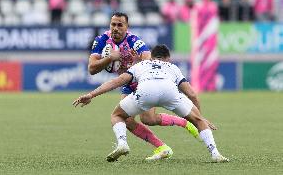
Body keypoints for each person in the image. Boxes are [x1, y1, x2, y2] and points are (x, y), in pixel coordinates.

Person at [73, 44, 229, 163]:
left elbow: (117, 81)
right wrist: (199, 117)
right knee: (198, 121)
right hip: (170, 92)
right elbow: (192, 94)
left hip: (146, 91)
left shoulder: (142, 65)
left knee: (117, 115)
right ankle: (215, 153)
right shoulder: (172, 67)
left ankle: (122, 143)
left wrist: (91, 94)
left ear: (152, 57)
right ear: (167, 58)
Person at [86, 12, 202, 160]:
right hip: (128, 82)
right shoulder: (102, 40)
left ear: (127, 27)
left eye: (120, 25)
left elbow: (147, 58)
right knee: (128, 119)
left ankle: (184, 124)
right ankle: (161, 147)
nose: (115, 28)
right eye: (113, 24)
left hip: (144, 81)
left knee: (147, 119)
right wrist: (109, 58)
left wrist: (135, 62)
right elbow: (92, 68)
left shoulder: (134, 40)